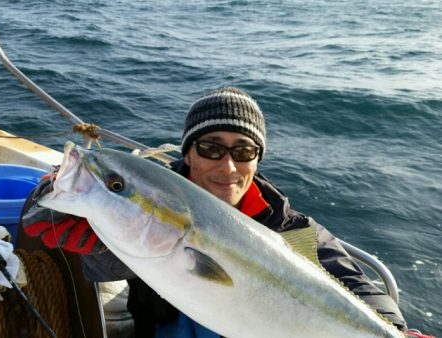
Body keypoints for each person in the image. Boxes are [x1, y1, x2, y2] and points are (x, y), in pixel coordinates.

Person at [21, 87, 407, 337]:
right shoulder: (158, 198)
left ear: (256, 161)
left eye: (243, 152)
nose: (227, 167)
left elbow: (359, 289)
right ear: (187, 152)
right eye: (210, 148)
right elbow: (103, 249)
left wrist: (393, 330)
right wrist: (50, 200)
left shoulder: (290, 227)